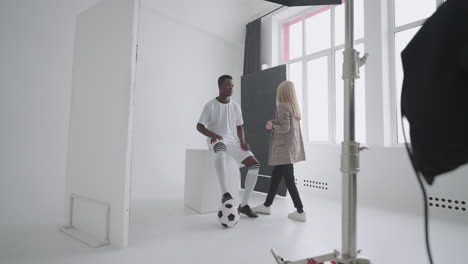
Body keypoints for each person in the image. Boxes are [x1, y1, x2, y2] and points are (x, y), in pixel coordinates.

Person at [196, 75, 259, 218]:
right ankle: (225, 193)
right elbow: (199, 126)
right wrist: (212, 134)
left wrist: (242, 141)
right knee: (221, 151)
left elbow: (239, 126)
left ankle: (244, 205)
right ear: (220, 87)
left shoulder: (235, 106)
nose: (231, 88)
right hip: (216, 140)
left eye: (232, 85)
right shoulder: (210, 105)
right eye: (227, 85)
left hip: (233, 142)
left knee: (255, 165)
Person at [253, 80, 307, 222]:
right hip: (290, 149)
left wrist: (272, 126)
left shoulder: (282, 106)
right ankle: (267, 205)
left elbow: (285, 128)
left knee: (289, 181)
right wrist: (275, 123)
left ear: (281, 93)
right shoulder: (293, 108)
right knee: (276, 176)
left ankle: (300, 211)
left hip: (284, 150)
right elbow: (289, 128)